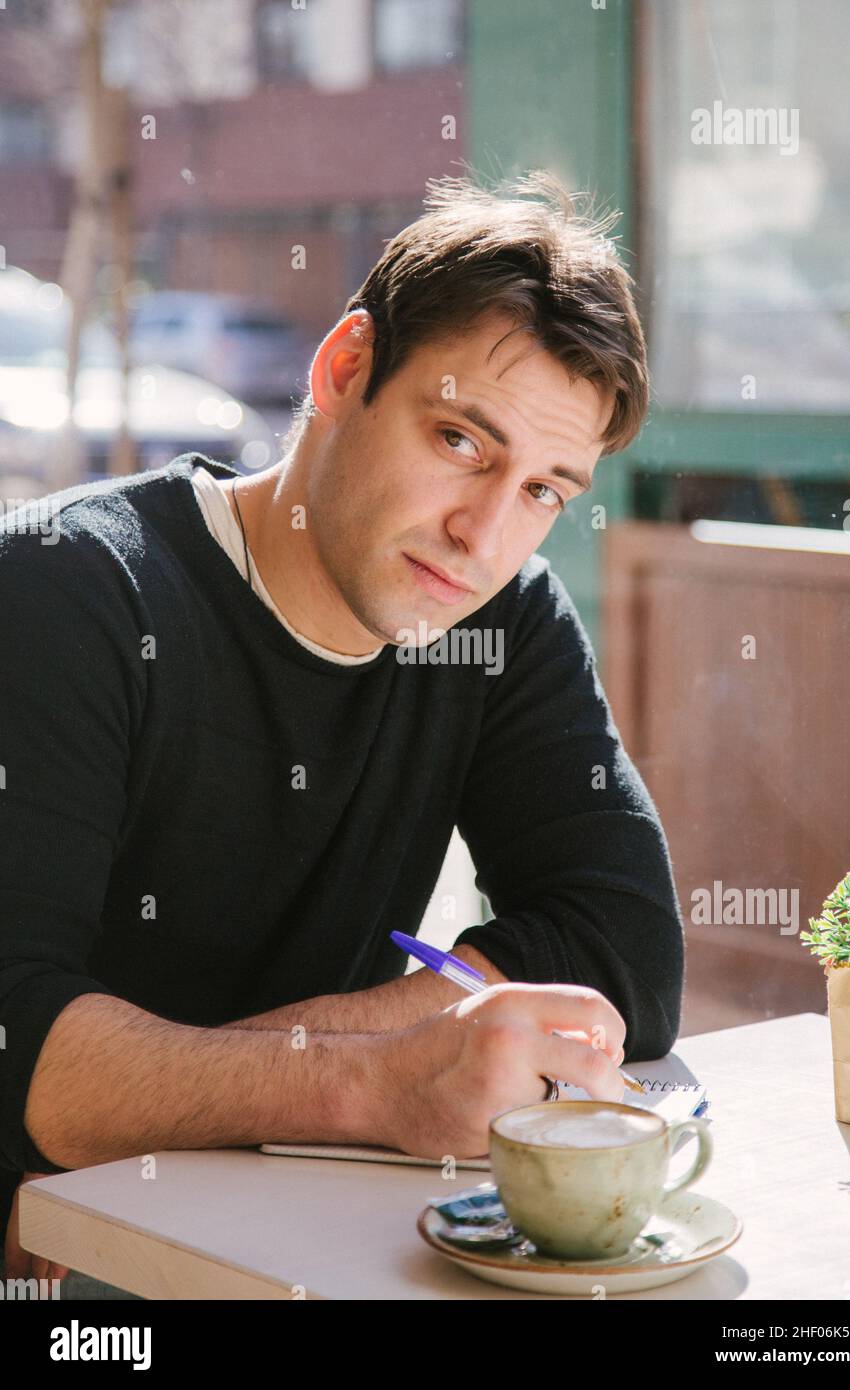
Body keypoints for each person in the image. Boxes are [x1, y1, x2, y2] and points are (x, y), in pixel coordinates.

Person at [0, 170, 684, 1292]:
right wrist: (372, 1081)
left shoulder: (499, 620)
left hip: (279, 1236)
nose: (483, 535)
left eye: (544, 490)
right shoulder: (65, 591)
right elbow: (20, 1045)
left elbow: (623, 946)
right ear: (344, 368)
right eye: (463, 440)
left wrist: (177, 1093)